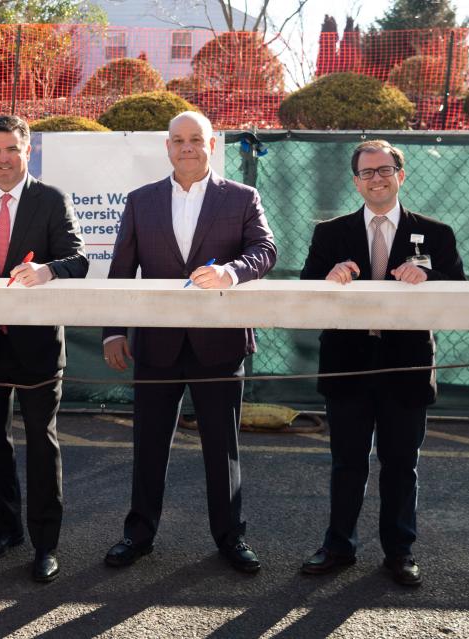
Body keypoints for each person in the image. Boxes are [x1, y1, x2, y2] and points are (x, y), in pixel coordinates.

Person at [102, 111, 277, 573]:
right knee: (149, 446)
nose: (186, 147)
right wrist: (115, 330)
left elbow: (265, 250)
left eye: (195, 139)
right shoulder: (142, 201)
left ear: (212, 145)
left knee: (222, 449)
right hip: (155, 346)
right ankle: (138, 536)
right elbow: (121, 270)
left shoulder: (242, 198)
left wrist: (230, 272)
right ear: (167, 147)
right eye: (178, 140)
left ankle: (230, 540)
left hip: (219, 346)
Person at [299, 139, 465, 587]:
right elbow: (305, 290)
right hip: (347, 363)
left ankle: (400, 551)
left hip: (406, 364)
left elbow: (459, 291)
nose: (377, 178)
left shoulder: (436, 233)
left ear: (401, 175)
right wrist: (327, 280)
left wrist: (429, 277)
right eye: (367, 172)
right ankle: (338, 546)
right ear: (356, 181)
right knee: (347, 462)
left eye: (385, 169)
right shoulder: (329, 233)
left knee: (400, 462)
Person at [0, 115, 88, 583]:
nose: (3, 159)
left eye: (12, 150)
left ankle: (45, 543)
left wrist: (47, 271)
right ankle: (6, 530)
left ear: (28, 152)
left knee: (42, 446)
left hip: (38, 345)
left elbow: (78, 259)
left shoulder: (51, 200)